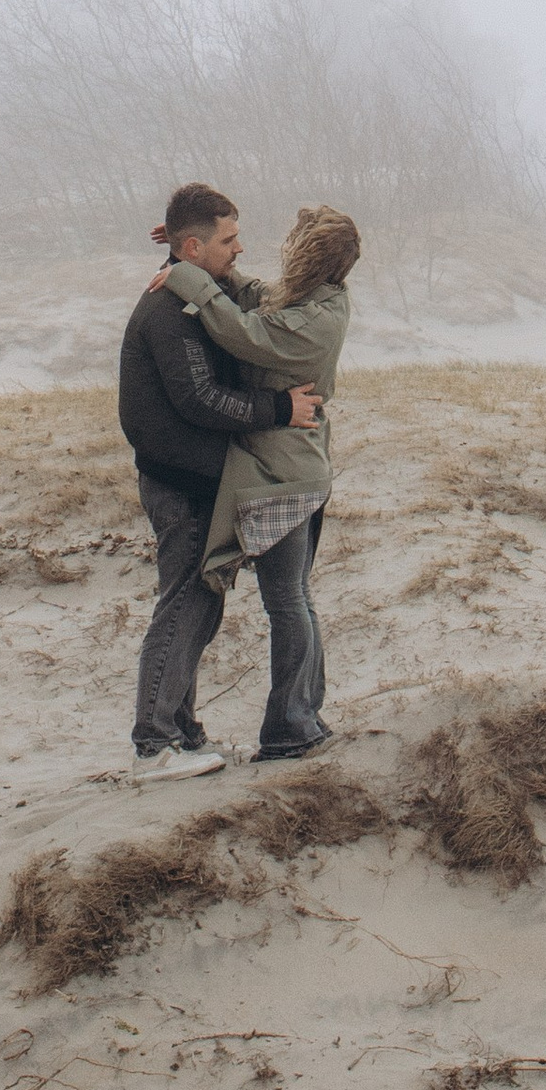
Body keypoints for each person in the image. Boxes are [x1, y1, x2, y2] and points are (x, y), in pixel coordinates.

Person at [117, 182, 323, 783]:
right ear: (193, 247)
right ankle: (155, 745)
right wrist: (280, 409)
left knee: (198, 606)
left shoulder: (197, 287)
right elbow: (200, 399)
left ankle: (181, 733)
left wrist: (188, 250)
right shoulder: (167, 310)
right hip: (179, 486)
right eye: (228, 239)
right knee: (186, 604)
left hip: (199, 480)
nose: (239, 248)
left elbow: (236, 294)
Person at [155, 203, 360, 766]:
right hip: (291, 468)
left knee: (287, 600)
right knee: (295, 597)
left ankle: (293, 726)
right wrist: (191, 245)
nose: (284, 247)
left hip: (284, 473)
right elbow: (256, 295)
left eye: (296, 241)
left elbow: (244, 332)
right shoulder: (315, 298)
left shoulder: (314, 320)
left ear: (310, 255)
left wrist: (187, 272)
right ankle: (302, 720)